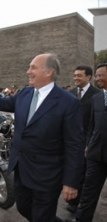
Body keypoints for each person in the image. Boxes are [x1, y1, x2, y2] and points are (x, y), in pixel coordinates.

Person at [0, 53, 84, 222]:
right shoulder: (25, 93)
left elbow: (75, 145)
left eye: (33, 67)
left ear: (48, 72)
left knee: (42, 216)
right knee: (23, 207)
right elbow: (1, 103)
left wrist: (71, 182)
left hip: (47, 175)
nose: (28, 71)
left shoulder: (68, 102)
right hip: (21, 168)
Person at [66, 63, 107, 222]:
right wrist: (89, 144)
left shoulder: (94, 94)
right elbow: (92, 126)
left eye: (101, 75)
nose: (98, 79)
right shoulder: (97, 98)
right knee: (89, 190)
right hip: (96, 153)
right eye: (97, 75)